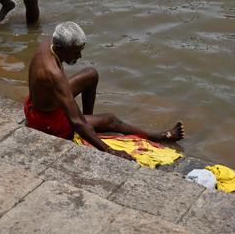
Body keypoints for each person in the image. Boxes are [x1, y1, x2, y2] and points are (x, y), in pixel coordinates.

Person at [25, 22, 184, 158]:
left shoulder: (49, 44)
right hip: (46, 120)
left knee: (91, 74)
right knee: (110, 120)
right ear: (60, 48)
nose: (79, 56)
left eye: (80, 49)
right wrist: (109, 150)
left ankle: (91, 123)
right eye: (75, 51)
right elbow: (76, 121)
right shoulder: (53, 74)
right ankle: (156, 136)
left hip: (42, 101)